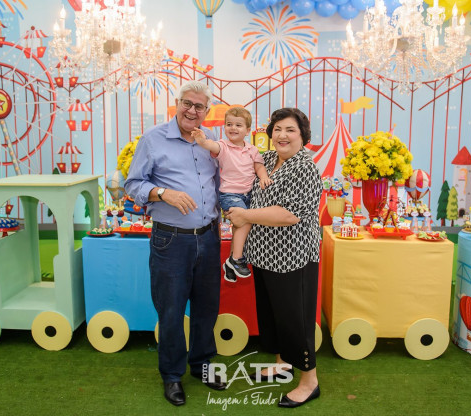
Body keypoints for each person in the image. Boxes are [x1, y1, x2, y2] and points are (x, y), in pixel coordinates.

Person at [124, 80, 227, 407]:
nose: (192, 111)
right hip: (170, 239)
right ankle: (171, 375)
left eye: (199, 106)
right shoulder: (153, 139)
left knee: (207, 307)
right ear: (177, 103)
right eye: (187, 103)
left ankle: (202, 364)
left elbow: (222, 180)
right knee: (170, 310)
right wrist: (162, 193)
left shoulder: (210, 140)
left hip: (209, 236)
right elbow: (132, 184)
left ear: (206, 111)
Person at [225, 108, 322, 409]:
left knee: (295, 320)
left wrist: (244, 215)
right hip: (264, 255)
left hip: (294, 257)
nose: (282, 135)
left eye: (290, 130)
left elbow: (290, 214)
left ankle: (309, 382)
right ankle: (282, 365)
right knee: (273, 316)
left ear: (303, 135)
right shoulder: (265, 160)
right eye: (277, 129)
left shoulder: (305, 167)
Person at [191, 107, 272, 282]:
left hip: (249, 194)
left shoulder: (252, 150)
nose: (233, 128)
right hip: (230, 194)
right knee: (245, 220)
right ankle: (236, 259)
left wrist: (264, 177)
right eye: (229, 124)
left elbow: (259, 166)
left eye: (238, 125)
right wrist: (202, 140)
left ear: (247, 130)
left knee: (239, 225)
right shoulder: (223, 146)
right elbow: (211, 146)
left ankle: (230, 262)